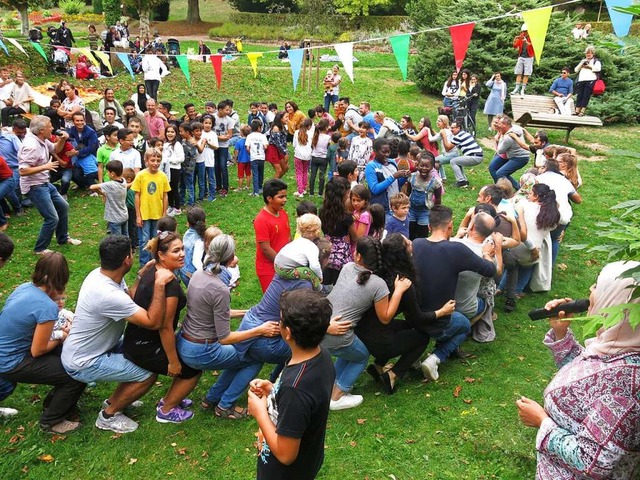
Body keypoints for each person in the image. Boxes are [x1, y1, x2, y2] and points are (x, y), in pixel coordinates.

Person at [516, 261, 640, 479]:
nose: (591, 290)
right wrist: (561, 333)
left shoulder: (626, 388)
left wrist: (542, 422)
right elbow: (588, 383)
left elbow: (591, 461)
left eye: (598, 287)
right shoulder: (620, 349)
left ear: (618, 303)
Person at [61, 235, 174, 433]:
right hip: (85, 360)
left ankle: (116, 401)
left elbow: (127, 298)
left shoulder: (101, 275)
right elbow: (153, 322)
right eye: (131, 252)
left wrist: (140, 276)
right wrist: (158, 284)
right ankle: (108, 416)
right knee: (146, 372)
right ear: (126, 260)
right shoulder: (107, 294)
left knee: (139, 354)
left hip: (98, 346)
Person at [178, 234, 280, 418]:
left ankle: (211, 399)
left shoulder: (198, 275)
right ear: (230, 256)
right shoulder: (220, 288)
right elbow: (225, 338)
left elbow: (215, 312)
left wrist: (246, 312)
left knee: (238, 356)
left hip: (186, 342)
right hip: (202, 351)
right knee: (253, 357)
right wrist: (260, 329)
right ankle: (225, 406)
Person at [249, 289, 334, 479]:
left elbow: (286, 455)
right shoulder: (321, 356)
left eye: (280, 320)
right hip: (308, 459)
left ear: (287, 332)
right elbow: (309, 403)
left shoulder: (295, 387)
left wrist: (259, 411)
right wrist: (273, 390)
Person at [0, 252, 86, 433]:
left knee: (68, 355)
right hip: (10, 361)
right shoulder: (47, 306)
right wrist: (62, 335)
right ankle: (52, 421)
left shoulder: (24, 288)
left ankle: (55, 403)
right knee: (76, 371)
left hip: (6, 351)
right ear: (62, 277)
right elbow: (38, 351)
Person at [323, 236, 411, 410]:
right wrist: (399, 291)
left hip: (323, 325)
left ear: (357, 256)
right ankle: (337, 396)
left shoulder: (347, 267)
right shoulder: (378, 284)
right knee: (362, 356)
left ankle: (332, 386)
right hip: (338, 334)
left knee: (349, 353)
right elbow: (385, 317)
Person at [413, 205, 498, 381]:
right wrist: (487, 253)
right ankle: (436, 357)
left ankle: (415, 353)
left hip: (415, 314)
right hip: (439, 319)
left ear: (429, 226)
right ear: (450, 226)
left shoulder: (416, 244)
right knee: (465, 324)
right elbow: (491, 270)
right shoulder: (456, 250)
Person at [357, 233, 451, 394]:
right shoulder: (403, 282)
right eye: (408, 242)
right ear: (403, 253)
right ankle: (393, 374)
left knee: (406, 326)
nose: (411, 243)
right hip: (378, 341)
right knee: (422, 337)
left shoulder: (379, 272)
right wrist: (441, 312)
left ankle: (378, 366)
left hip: (363, 331)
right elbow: (419, 319)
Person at [123, 232, 200, 424]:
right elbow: (165, 328)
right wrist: (173, 362)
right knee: (192, 368)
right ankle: (166, 409)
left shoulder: (150, 269)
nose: (182, 254)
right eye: (176, 251)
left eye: (182, 249)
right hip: (146, 346)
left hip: (133, 338)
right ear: (161, 255)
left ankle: (174, 397)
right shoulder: (169, 286)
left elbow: (132, 297)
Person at [18, 116, 82, 254]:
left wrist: (63, 139)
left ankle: (63, 238)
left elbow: (56, 150)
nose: (53, 128)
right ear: (42, 130)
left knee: (63, 206)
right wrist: (45, 166)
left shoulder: (41, 139)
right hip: (35, 187)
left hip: (44, 183)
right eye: (50, 126)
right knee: (52, 218)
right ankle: (40, 249)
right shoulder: (32, 146)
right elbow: (23, 170)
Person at [132, 148, 170, 266]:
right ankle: (144, 264)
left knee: (155, 239)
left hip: (157, 214)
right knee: (144, 240)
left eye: (158, 160)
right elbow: (137, 196)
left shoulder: (163, 176)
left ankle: (154, 263)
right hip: (144, 214)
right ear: (146, 161)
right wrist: (138, 215)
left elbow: (165, 196)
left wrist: (164, 214)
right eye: (152, 160)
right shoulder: (141, 175)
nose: (155, 163)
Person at [254, 179, 291, 293]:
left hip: (285, 265)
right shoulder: (261, 219)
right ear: (269, 198)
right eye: (281, 197)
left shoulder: (283, 214)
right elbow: (265, 248)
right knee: (274, 303)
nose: (284, 200)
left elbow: (288, 238)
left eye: (285, 196)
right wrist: (282, 264)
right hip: (268, 269)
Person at [319, 177, 356, 285]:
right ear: (342, 196)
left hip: (326, 250)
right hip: (341, 254)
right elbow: (355, 236)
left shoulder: (322, 211)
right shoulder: (346, 217)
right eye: (348, 194)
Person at [404, 152, 443, 239]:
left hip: (425, 211)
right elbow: (408, 192)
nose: (424, 168)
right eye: (421, 166)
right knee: (410, 230)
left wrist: (435, 212)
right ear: (417, 166)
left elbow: (438, 198)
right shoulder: (412, 177)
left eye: (427, 166)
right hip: (411, 209)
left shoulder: (435, 182)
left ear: (432, 167)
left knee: (422, 232)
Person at [365, 138, 408, 213]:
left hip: (396, 206)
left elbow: (397, 185)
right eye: (384, 152)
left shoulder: (392, 163)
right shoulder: (371, 166)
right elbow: (375, 189)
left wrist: (404, 176)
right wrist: (393, 177)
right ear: (375, 151)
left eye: (388, 152)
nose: (387, 155)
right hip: (382, 209)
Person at [489, 116, 531, 190]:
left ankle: (515, 188)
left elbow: (500, 150)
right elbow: (523, 129)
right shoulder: (515, 127)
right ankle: (499, 188)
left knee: (501, 173)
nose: (498, 125)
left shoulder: (508, 137)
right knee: (493, 168)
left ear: (505, 125)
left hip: (519, 158)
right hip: (512, 156)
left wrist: (498, 139)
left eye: (500, 124)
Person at [89, 160, 128, 236]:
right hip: (124, 216)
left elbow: (92, 187)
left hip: (115, 218)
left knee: (117, 241)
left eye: (108, 172)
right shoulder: (124, 181)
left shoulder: (110, 185)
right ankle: (129, 248)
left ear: (113, 174)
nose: (107, 174)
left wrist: (102, 194)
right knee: (125, 238)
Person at [441, 121, 484, 188]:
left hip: (474, 157)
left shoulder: (458, 136)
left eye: (453, 128)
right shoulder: (465, 133)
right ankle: (464, 181)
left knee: (453, 161)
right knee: (458, 161)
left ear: (458, 128)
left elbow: (447, 148)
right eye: (450, 128)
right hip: (478, 156)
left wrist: (444, 136)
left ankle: (461, 181)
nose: (451, 130)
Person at [66, 111, 99, 191]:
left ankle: (95, 186)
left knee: (90, 172)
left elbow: (92, 147)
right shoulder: (72, 130)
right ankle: (84, 185)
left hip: (89, 156)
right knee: (74, 174)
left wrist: (78, 152)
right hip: (77, 156)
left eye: (81, 120)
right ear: (73, 122)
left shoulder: (91, 132)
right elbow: (69, 140)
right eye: (77, 121)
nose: (80, 123)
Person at [179, 206, 206, 286]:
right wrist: (206, 276)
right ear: (204, 222)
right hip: (193, 274)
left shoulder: (187, 234)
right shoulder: (199, 240)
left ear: (188, 223)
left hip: (183, 271)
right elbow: (196, 261)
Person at [573, 45, 602, 117]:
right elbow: (576, 70)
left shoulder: (596, 61)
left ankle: (582, 111)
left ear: (593, 54)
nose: (588, 54)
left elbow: (598, 69)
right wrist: (581, 64)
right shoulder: (583, 61)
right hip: (581, 80)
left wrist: (589, 66)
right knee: (579, 95)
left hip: (590, 80)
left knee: (586, 95)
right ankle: (577, 110)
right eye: (587, 53)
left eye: (590, 53)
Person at [246, 119, 269, 196]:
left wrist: (250, 153)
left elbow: (247, 148)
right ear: (259, 127)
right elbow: (265, 147)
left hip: (254, 157)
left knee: (255, 174)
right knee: (261, 173)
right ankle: (260, 188)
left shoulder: (249, 136)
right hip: (261, 157)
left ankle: (255, 192)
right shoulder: (263, 136)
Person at [512, 24, 534, 96]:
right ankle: (516, 88)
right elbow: (515, 46)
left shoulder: (532, 36)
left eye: (525, 31)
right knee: (518, 72)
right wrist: (515, 40)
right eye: (523, 31)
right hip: (521, 56)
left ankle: (523, 90)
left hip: (529, 57)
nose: (524, 32)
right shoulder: (521, 36)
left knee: (526, 73)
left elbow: (534, 46)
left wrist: (527, 42)